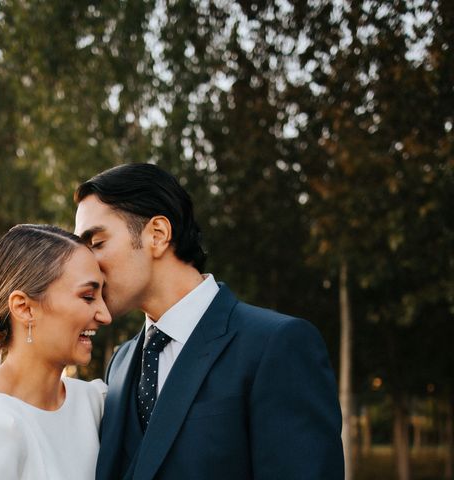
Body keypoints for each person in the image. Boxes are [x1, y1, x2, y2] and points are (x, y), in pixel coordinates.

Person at [74, 163, 345, 479]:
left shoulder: (277, 344)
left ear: (157, 235)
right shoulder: (120, 363)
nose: (86, 265)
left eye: (96, 244)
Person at [0, 224, 112, 480]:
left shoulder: (95, 402)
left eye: (102, 296)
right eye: (87, 296)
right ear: (25, 308)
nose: (104, 315)